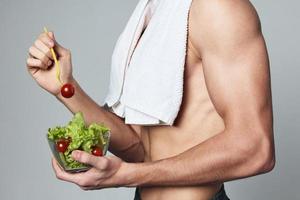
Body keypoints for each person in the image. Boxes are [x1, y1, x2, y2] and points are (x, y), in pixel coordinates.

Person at [26, 0, 275, 199]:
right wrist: (65, 88)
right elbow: (138, 147)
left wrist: (129, 175)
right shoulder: (152, 13)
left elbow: (255, 148)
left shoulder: (218, 7)